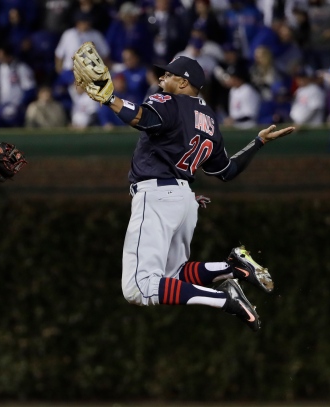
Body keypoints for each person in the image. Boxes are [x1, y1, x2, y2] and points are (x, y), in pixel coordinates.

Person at [74, 50, 296, 331]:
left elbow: (145, 119)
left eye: (168, 75)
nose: (161, 78)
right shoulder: (210, 119)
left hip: (158, 195)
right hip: (184, 199)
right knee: (174, 275)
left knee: (139, 288)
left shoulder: (170, 101)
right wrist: (257, 143)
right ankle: (232, 268)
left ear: (183, 83)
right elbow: (226, 171)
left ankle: (224, 298)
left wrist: (110, 100)